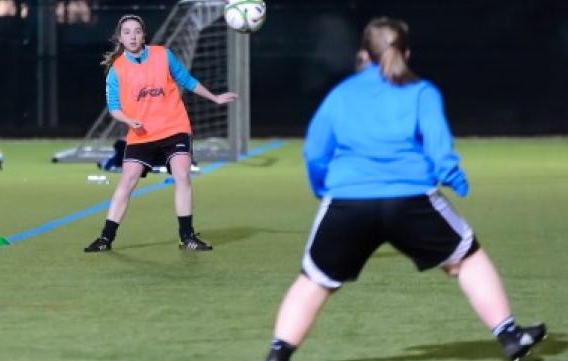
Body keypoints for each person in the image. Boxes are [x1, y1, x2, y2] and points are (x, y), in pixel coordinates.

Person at [263, 17, 546, 361]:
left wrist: (322, 187)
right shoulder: (422, 91)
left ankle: (278, 355)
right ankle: (510, 336)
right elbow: (440, 152)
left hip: (348, 201)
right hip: (410, 200)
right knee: (466, 259)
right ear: (406, 53)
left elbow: (314, 152)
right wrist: (453, 177)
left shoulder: (341, 94)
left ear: (362, 54)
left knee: (314, 280)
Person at [84, 14, 238, 253]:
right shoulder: (116, 70)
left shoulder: (162, 55)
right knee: (127, 182)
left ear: (144, 35)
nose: (132, 36)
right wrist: (129, 120)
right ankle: (105, 238)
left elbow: (186, 80)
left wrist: (215, 97)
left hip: (174, 128)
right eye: (127, 32)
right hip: (141, 135)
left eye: (137, 31)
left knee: (182, 176)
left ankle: (187, 237)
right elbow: (114, 107)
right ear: (120, 37)